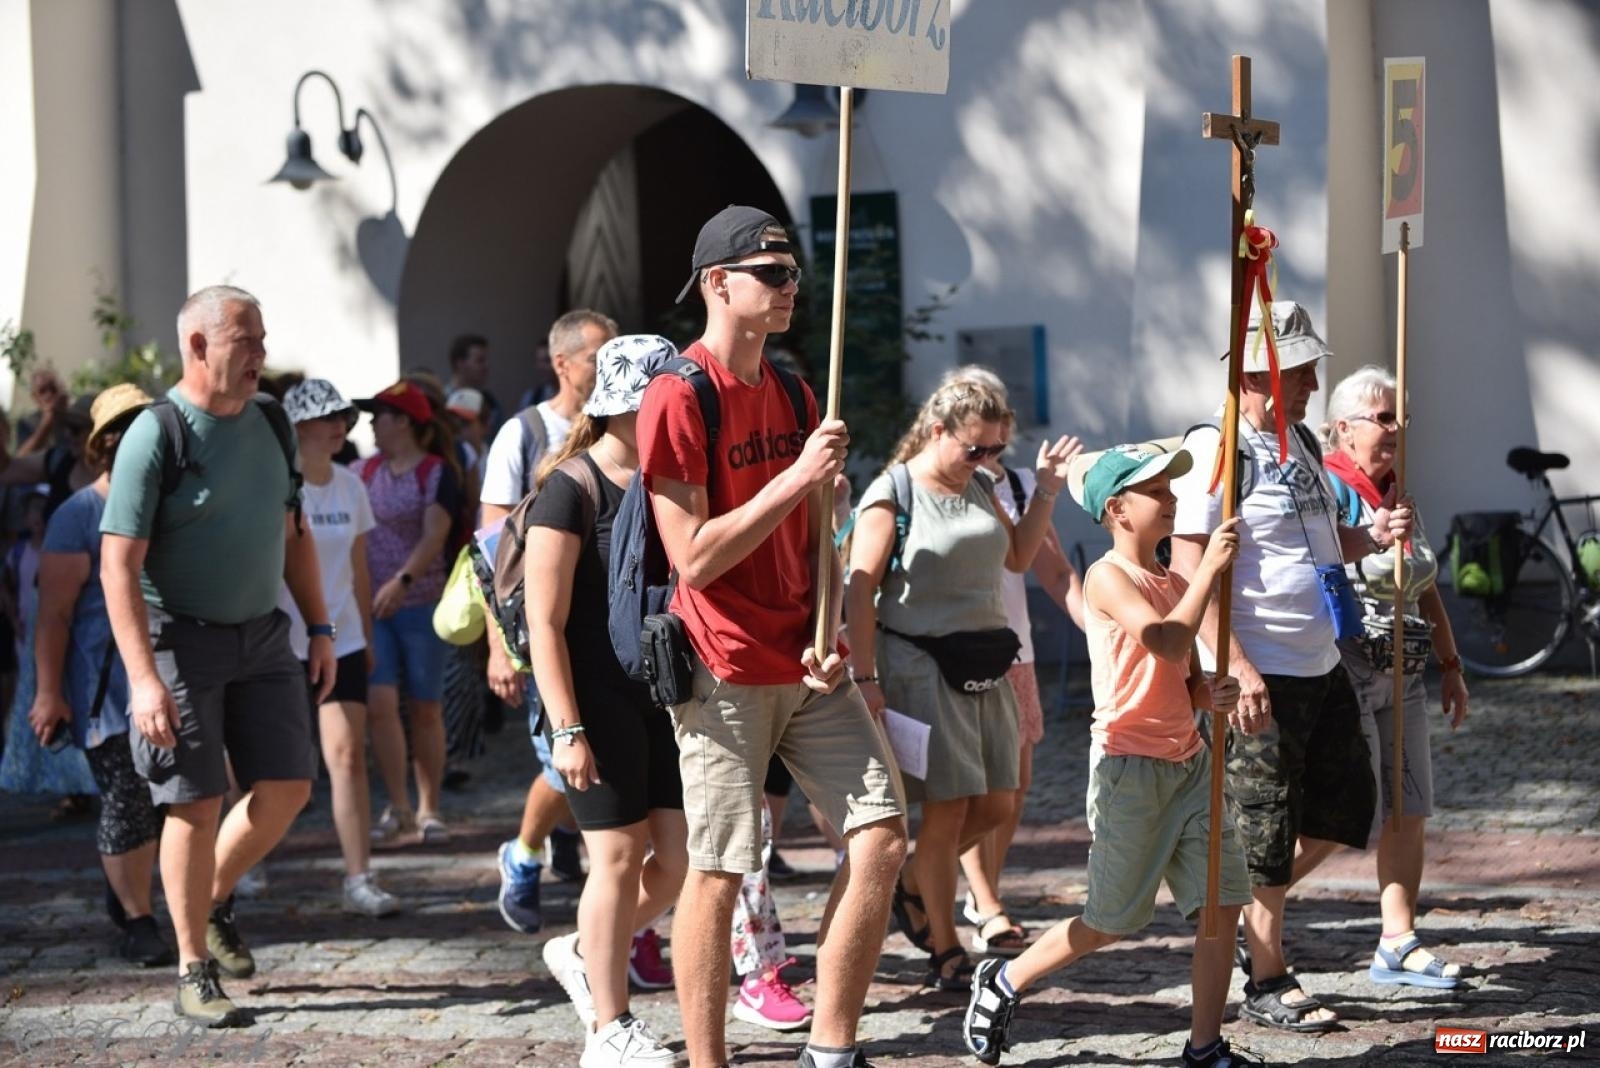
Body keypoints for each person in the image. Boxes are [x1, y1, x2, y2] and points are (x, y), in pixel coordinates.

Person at [641, 204, 907, 1068]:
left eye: (794, 273)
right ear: (718, 284)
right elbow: (695, 558)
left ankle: (831, 1047)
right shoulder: (678, 395)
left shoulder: (795, 388)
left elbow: (817, 528)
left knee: (883, 834)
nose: (792, 287)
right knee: (718, 870)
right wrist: (797, 476)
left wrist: (831, 620)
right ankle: (709, 1061)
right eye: (773, 273)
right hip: (722, 668)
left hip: (805, 661)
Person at [962, 444, 1260, 1068]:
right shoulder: (1107, 577)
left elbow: (1182, 679)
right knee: (1111, 920)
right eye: (1158, 490)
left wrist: (1212, 691)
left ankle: (1205, 1046)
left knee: (1222, 903)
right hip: (1129, 770)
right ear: (1119, 509)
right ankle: (1006, 979)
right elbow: (1165, 639)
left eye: (1171, 489)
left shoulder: (1172, 579)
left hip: (1190, 762)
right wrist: (1209, 572)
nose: (1172, 498)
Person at [1168, 300, 1411, 1032]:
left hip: (1320, 659)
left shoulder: (1298, 441)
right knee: (1266, 827)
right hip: (1260, 671)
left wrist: (1367, 537)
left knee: (1345, 811)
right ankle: (1268, 975)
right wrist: (1234, 663)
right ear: (1253, 376)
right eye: (1298, 371)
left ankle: (1246, 917)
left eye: (1308, 370)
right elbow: (1188, 565)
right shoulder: (1218, 450)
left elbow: (1315, 538)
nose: (1310, 383)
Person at [101, 284, 336, 1027]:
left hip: (264, 633)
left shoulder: (270, 420)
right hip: (179, 638)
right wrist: (142, 679)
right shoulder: (155, 434)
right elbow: (116, 564)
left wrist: (321, 627)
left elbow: (292, 532)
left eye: (262, 339)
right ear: (198, 346)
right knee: (194, 803)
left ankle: (207, 903)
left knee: (289, 788)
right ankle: (191, 968)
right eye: (248, 341)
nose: (262, 356)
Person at [847, 378, 1078, 989]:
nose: (986, 461)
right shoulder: (892, 492)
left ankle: (915, 880)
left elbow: (1019, 558)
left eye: (996, 451)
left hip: (986, 660)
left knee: (999, 801)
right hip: (919, 663)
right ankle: (946, 947)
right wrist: (866, 677)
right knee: (947, 808)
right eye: (975, 449)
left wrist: (1047, 489)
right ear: (938, 431)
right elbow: (859, 591)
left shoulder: (980, 485)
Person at [523, 334, 689, 1066]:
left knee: (679, 862)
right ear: (629, 404)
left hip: (664, 692)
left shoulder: (672, 479)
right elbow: (543, 622)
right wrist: (567, 729)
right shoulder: (569, 488)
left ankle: (583, 948)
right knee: (617, 857)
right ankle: (608, 1029)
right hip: (592, 696)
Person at [1321, 365, 1470, 988]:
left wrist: (1451, 663)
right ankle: (1254, 913)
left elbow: (1424, 583)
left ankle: (1398, 941)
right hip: (1347, 667)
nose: (1394, 429)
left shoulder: (1400, 492)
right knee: (1339, 816)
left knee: (1408, 810)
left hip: (1404, 671)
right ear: (1341, 429)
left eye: (1399, 418)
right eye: (1381, 418)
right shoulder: (1327, 489)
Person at [27, 384, 172, 965]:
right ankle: (137, 916)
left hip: (176, 676)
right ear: (107, 445)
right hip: (105, 688)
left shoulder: (174, 505)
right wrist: (47, 692)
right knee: (126, 798)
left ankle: (128, 890)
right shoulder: (79, 514)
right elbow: (54, 617)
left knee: (170, 800)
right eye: (131, 431)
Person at [944, 366, 1086, 957]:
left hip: (1016, 655)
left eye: (997, 433)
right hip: (957, 655)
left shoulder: (1023, 485)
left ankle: (983, 894)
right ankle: (986, 901)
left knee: (1016, 789)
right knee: (979, 787)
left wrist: (1102, 634)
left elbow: (1053, 571)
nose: (988, 448)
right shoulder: (937, 483)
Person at [485, 309, 617, 936]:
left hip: (609, 631)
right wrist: (497, 648)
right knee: (561, 760)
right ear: (563, 364)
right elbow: (491, 553)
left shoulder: (621, 427)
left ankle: (603, 900)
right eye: (599, 355)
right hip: (544, 628)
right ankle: (526, 852)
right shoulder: (524, 433)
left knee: (596, 766)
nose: (609, 365)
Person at [279, 379, 399, 916]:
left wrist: (367, 640)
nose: (339, 426)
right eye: (328, 417)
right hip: (280, 639)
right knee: (271, 765)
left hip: (344, 638)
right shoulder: (277, 485)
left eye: (342, 417)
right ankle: (248, 864)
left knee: (348, 756)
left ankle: (359, 877)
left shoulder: (352, 485)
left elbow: (358, 568)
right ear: (298, 427)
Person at [355, 380, 464, 845]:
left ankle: (429, 807)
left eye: (377, 415)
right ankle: (397, 805)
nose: (371, 424)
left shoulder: (438, 473)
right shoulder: (362, 471)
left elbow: (434, 535)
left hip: (422, 605)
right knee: (380, 706)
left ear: (402, 421)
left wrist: (401, 581)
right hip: (372, 607)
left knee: (424, 707)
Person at [447, 333, 503, 432]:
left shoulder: (492, 404)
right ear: (460, 364)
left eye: (486, 360)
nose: (486, 366)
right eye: (480, 360)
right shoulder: (444, 402)